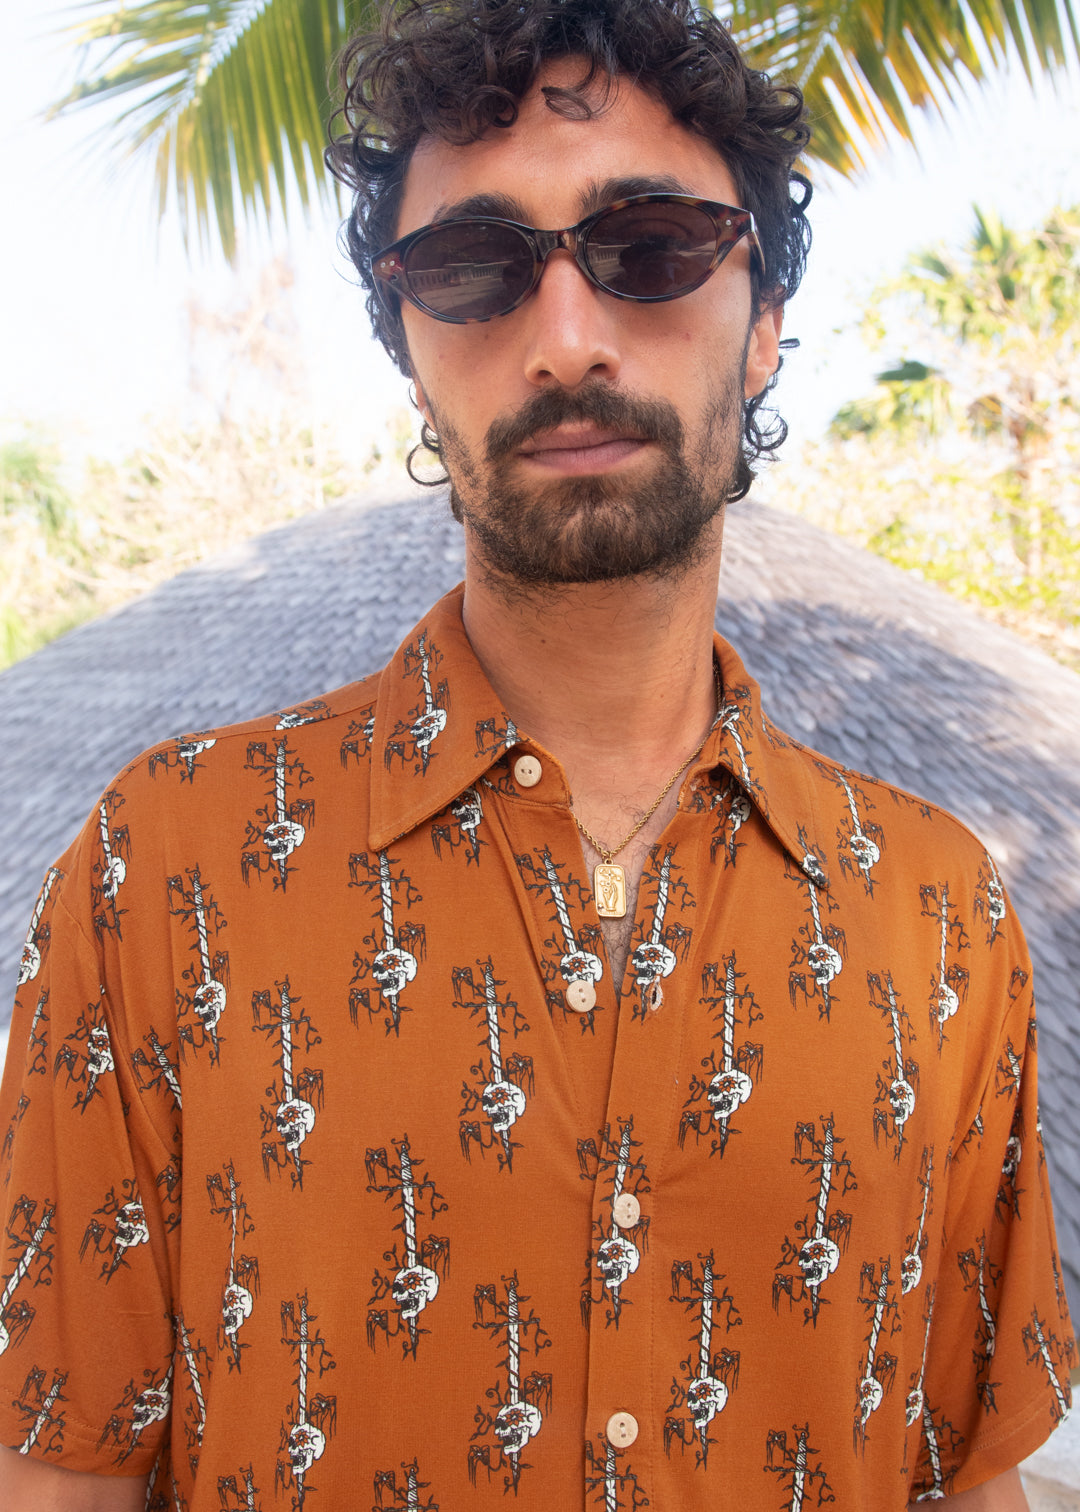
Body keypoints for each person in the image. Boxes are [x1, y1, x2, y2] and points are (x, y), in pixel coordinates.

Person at [0, 0, 1074, 1507]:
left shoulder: (940, 916)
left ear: (765, 326)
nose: (565, 340)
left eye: (652, 246)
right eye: (472, 267)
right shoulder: (164, 869)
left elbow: (968, 1470)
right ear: (412, 353)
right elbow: (66, 1473)